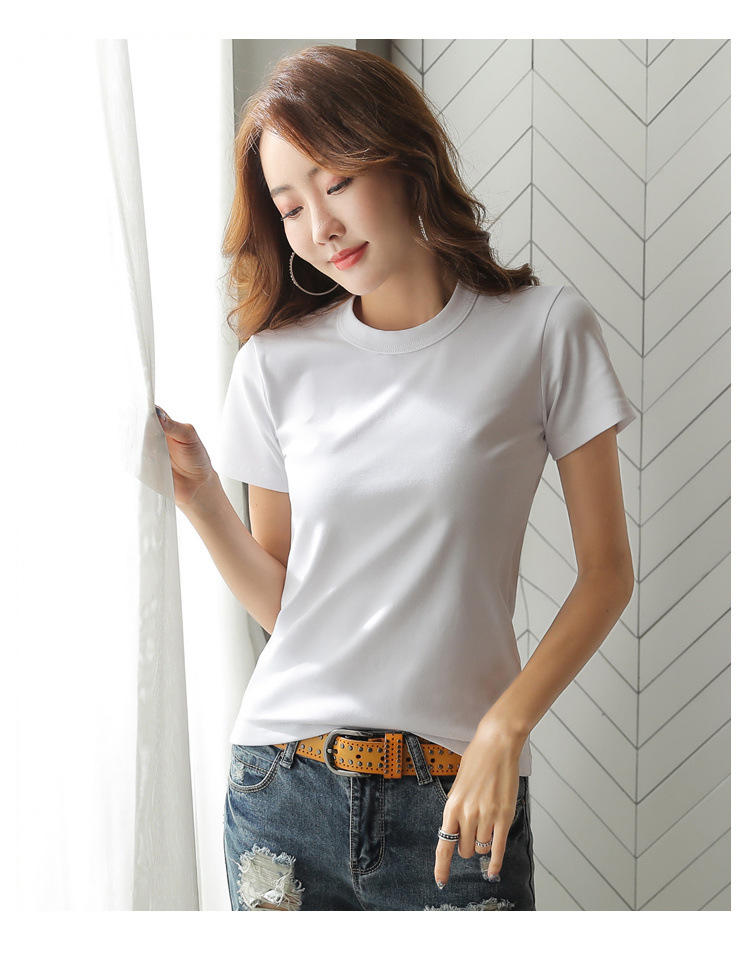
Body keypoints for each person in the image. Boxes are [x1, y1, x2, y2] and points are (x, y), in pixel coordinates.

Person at [155, 44, 636, 912]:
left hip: (458, 796)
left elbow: (606, 573)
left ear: (405, 158)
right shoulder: (275, 364)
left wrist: (506, 725)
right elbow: (290, 606)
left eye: (336, 183)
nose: (319, 227)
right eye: (290, 206)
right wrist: (199, 498)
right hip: (283, 786)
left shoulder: (543, 331)